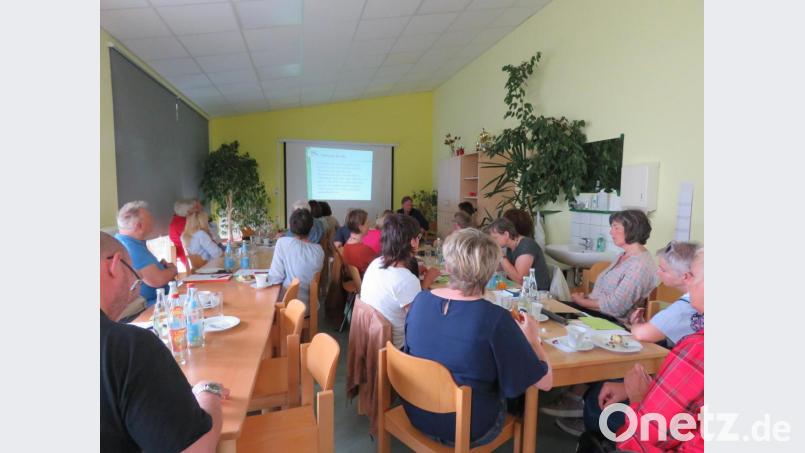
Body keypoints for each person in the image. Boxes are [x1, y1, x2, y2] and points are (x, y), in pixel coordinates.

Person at [403, 228, 553, 446]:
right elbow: (546, 382)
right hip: (467, 427)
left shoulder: (419, 301)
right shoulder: (495, 318)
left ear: (447, 267)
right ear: (491, 273)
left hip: (417, 410)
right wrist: (532, 339)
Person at [100, 232, 229, 452]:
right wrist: (208, 393)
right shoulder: (128, 348)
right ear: (114, 266)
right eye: (133, 275)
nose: (135, 289)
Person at [579, 248, 704, 452]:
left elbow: (643, 439)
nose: (689, 282)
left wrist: (637, 398)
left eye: (694, 276)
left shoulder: (697, 349)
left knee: (595, 405)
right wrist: (637, 389)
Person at [570, 210, 659, 320]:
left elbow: (617, 306)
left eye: (616, 228)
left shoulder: (640, 265)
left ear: (631, 230)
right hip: (595, 313)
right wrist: (585, 298)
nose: (611, 232)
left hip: (612, 321)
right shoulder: (622, 255)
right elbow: (605, 294)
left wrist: (582, 302)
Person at [360, 214, 424, 348]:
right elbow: (418, 323)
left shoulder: (376, 263)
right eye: (418, 237)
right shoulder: (406, 280)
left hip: (371, 339)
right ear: (413, 242)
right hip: (395, 348)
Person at [629, 240, 703, 345]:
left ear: (685, 276)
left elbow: (641, 334)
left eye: (663, 270)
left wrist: (635, 325)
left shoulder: (684, 306)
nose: (658, 272)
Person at [115, 201, 177, 308]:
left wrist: (160, 267)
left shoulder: (128, 242)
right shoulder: (131, 247)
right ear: (140, 226)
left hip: (161, 300)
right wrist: (173, 269)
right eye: (150, 218)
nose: (153, 221)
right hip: (152, 307)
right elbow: (157, 280)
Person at [268, 208, 324, 312]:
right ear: (311, 227)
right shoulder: (319, 250)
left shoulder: (282, 243)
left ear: (290, 226)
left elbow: (275, 278)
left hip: (288, 306)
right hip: (310, 307)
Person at [487, 218, 550, 288]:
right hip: (519, 289)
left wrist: (501, 257)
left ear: (506, 234)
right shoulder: (510, 247)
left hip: (536, 292)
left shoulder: (526, 246)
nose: (493, 242)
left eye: (495, 238)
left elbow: (520, 280)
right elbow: (502, 271)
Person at [342, 209, 378, 275]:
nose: (369, 225)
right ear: (361, 227)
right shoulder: (364, 249)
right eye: (367, 223)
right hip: (367, 279)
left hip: (356, 279)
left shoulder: (346, 245)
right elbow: (380, 265)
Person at [169, 198, 199, 270]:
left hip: (188, 254)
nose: (195, 211)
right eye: (192, 209)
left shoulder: (177, 220)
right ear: (187, 211)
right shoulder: (181, 223)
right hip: (190, 258)